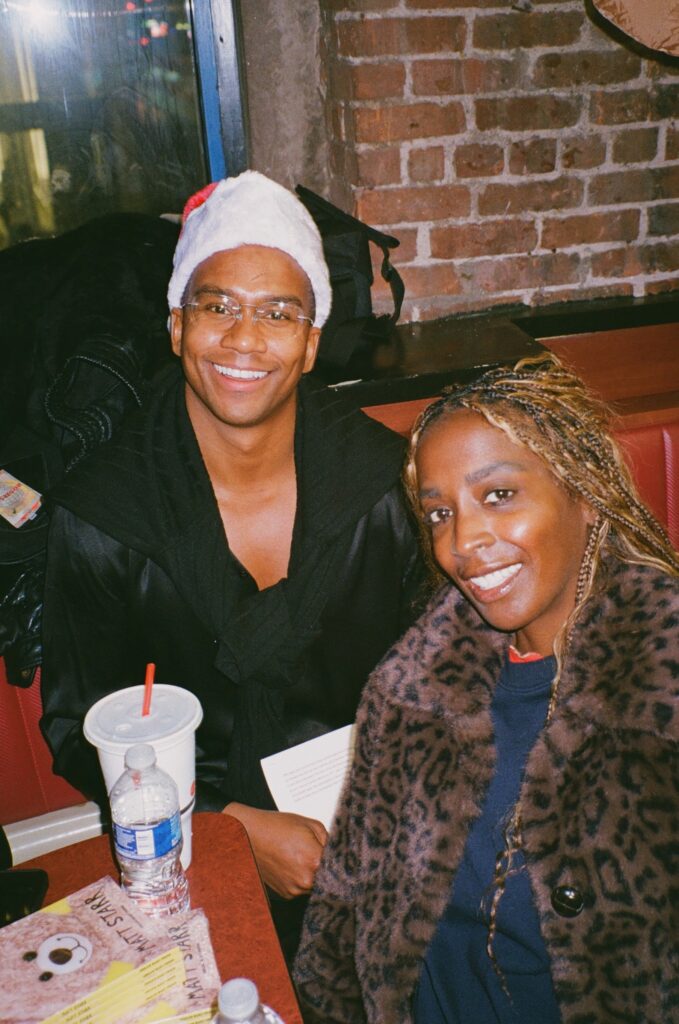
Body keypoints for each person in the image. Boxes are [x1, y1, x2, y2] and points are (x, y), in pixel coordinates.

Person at [39, 171, 423, 957]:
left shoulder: (380, 484)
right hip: (180, 856)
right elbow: (79, 726)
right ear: (177, 326)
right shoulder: (106, 512)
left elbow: (438, 671)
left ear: (310, 343)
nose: (245, 340)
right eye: (217, 307)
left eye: (278, 314)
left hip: (380, 834)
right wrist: (229, 824)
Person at [294, 353, 679, 1024]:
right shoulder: (410, 688)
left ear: (584, 495)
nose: (462, 541)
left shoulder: (661, 692)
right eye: (439, 513)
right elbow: (345, 914)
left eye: (498, 495)